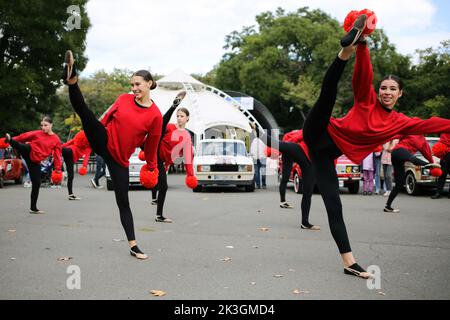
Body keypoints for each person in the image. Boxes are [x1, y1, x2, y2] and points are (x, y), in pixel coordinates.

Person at [301, 12, 450, 279]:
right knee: (328, 94)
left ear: (400, 93)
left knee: (334, 206)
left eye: (393, 88)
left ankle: (349, 262)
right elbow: (364, 73)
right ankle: (345, 49)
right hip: (319, 130)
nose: (387, 92)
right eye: (384, 87)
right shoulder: (365, 98)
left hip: (324, 155)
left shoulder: (400, 122)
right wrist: (362, 45)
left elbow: (432, 124)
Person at [62, 50, 162, 260]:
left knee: (123, 202)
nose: (133, 88)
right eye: (132, 85)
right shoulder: (123, 99)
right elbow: (107, 118)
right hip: (104, 140)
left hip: (119, 160)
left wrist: (151, 167)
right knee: (86, 114)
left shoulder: (155, 116)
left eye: (138, 84)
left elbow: (152, 145)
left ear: (149, 84)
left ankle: (133, 245)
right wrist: (92, 136)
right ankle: (72, 79)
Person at [250, 124, 319, 230]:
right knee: (306, 193)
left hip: (299, 152)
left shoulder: (303, 133)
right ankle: (302, 220)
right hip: (302, 154)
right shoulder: (316, 131)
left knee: (304, 190)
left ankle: (302, 220)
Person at [2, 116, 62, 214]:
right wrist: (9, 140)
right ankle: (11, 140)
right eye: (42, 125)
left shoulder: (56, 140)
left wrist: (58, 169)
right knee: (23, 147)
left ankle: (33, 208)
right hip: (29, 150)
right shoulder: (38, 133)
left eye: (45, 125)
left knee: (36, 183)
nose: (43, 127)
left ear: (51, 125)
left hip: (35, 160)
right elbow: (24, 136)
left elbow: (57, 154)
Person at [150, 98, 197, 223]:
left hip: (165, 162)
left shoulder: (187, 136)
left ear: (187, 118)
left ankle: (158, 212)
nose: (179, 118)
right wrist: (173, 106)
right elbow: (160, 126)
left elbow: (188, 157)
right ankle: (158, 214)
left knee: (162, 185)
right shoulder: (169, 127)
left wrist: (190, 175)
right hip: (156, 156)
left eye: (182, 116)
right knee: (163, 186)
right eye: (178, 116)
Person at [385, 135, 436, 212]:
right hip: (398, 151)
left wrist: (432, 163)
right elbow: (398, 134)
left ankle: (387, 206)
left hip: (397, 156)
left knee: (399, 184)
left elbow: (427, 153)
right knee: (412, 159)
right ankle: (427, 165)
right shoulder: (411, 131)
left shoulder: (423, 141)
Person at [62, 130, 92, 200]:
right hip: (70, 153)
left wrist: (60, 147)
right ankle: (71, 195)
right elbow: (86, 157)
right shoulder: (89, 145)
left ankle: (71, 194)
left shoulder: (78, 139)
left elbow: (69, 142)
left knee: (70, 175)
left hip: (67, 151)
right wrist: (84, 166)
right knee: (70, 176)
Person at [431, 133, 450, 199]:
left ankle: (439, 193)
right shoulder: (444, 129)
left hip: (447, 153)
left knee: (442, 175)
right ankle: (438, 193)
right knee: (442, 175)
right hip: (444, 154)